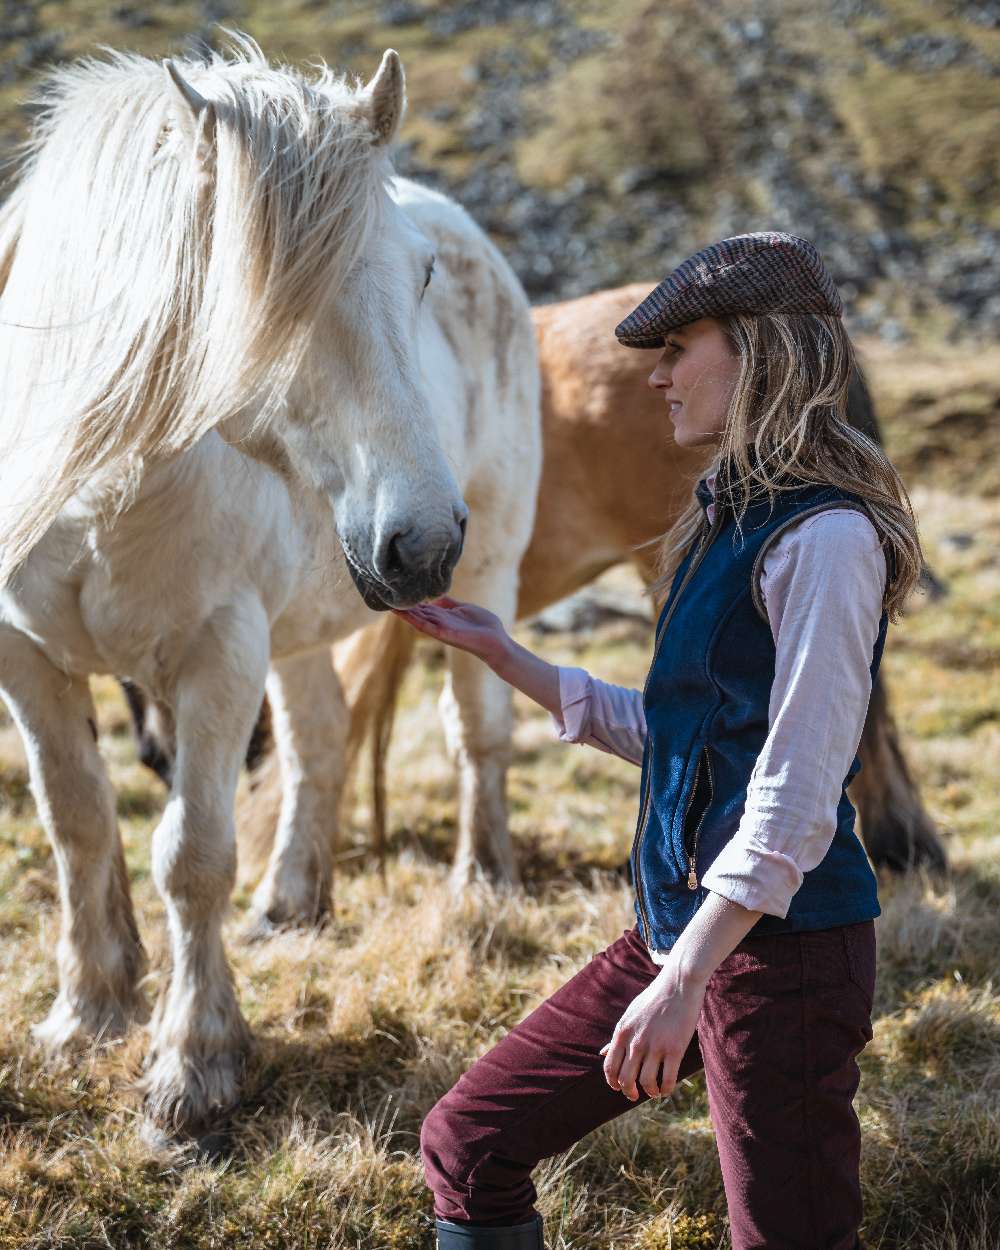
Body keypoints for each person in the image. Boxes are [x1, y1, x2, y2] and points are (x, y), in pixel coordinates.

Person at [392, 232, 923, 1250]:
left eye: (681, 347)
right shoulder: (727, 514)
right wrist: (515, 659)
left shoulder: (826, 540)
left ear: (759, 353)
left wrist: (682, 981)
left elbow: (798, 790)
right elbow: (695, 737)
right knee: (468, 1140)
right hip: (682, 930)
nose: (657, 372)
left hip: (783, 962)